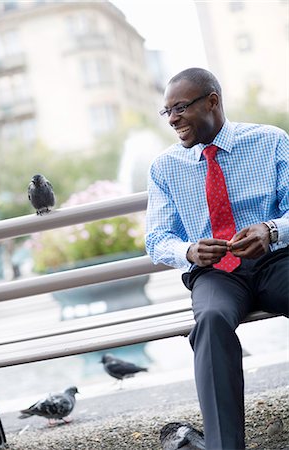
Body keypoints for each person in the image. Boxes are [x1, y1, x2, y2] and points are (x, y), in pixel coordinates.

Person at [145, 67, 289, 450]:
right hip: (216, 274)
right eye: (167, 111)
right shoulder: (164, 167)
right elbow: (156, 238)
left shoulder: (270, 141)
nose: (173, 118)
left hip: (276, 261)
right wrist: (189, 251)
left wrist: (271, 230)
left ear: (212, 101)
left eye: (180, 108)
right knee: (209, 321)